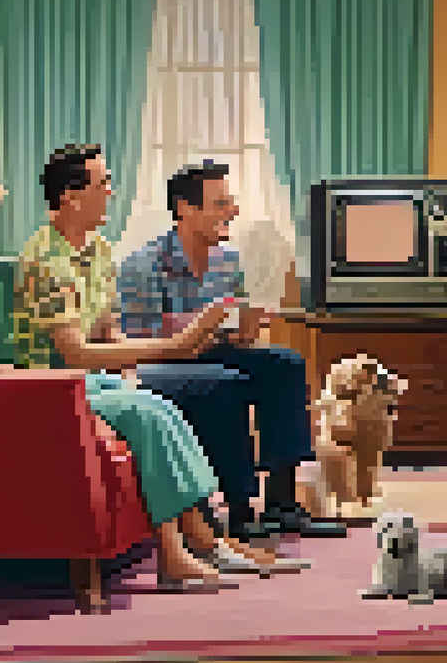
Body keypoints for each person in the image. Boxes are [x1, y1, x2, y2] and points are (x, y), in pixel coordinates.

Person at [0, 184, 303, 593]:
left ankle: (202, 540)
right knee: (145, 415)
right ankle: (175, 555)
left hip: (18, 388)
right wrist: (47, 380)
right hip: (2, 407)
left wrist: (39, 374)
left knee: (159, 407)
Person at [119, 161, 345, 538]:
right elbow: (138, 342)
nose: (233, 211)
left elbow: (232, 327)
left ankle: (282, 504)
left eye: (231, 202)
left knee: (285, 364)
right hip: (158, 362)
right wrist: (198, 327)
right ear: (185, 209)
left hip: (210, 350)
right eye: (221, 203)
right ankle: (240, 509)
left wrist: (246, 330)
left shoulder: (229, 261)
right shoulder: (141, 266)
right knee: (223, 381)